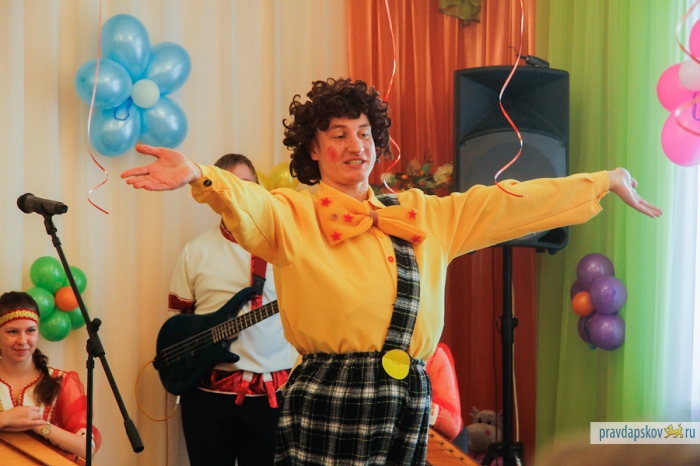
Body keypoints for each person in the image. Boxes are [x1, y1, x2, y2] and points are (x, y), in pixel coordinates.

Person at [121, 77, 662, 465]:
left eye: (363, 133)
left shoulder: (424, 213)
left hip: (408, 393)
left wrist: (601, 181)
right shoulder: (292, 213)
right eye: (338, 134)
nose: (354, 145)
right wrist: (200, 175)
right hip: (329, 392)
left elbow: (508, 204)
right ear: (314, 149)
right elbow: (250, 203)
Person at [167, 153, 298, 465]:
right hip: (207, 398)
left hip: (272, 399)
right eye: (228, 185)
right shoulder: (194, 251)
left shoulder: (287, 249)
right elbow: (179, 326)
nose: (237, 193)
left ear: (259, 189)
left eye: (246, 184)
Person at [0, 291, 102, 461]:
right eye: (12, 332)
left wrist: (38, 425)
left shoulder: (60, 381)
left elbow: (87, 448)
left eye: (30, 330)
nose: (22, 340)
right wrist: (6, 418)